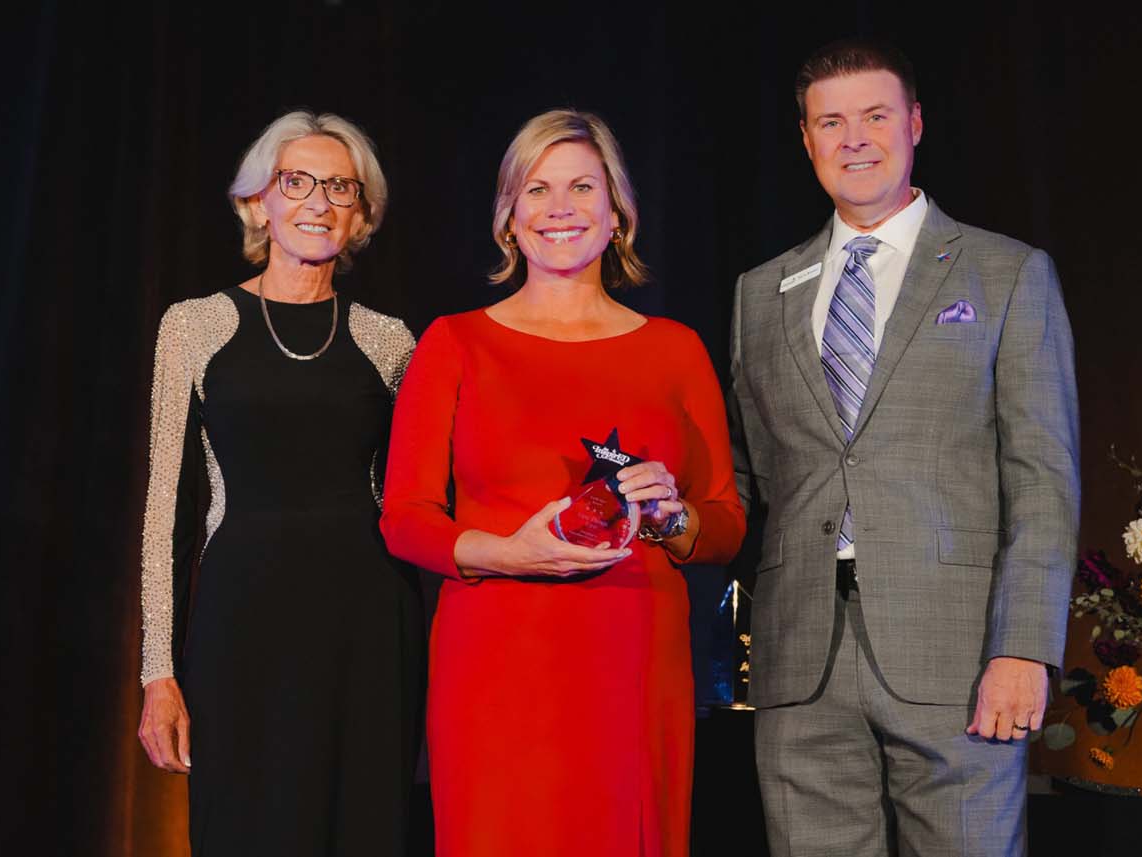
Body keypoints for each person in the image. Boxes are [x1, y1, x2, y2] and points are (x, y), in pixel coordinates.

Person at [729, 39, 1079, 855]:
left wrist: (1025, 647)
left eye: (875, 115)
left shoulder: (1007, 273)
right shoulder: (759, 292)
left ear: (915, 123)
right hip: (800, 667)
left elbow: (1043, 481)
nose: (854, 138)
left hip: (958, 662)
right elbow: (751, 478)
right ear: (806, 140)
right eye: (831, 121)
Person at [380, 109, 744, 857]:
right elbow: (406, 517)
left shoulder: (675, 349)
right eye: (537, 189)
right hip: (497, 660)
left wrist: (671, 518)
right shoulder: (455, 342)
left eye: (583, 186)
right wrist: (511, 553)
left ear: (618, 215)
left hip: (634, 660)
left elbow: (724, 525)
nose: (560, 207)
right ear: (509, 216)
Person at [135, 110, 422, 855]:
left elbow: (416, 501)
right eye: (297, 181)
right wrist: (157, 672)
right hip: (243, 626)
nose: (319, 202)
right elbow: (166, 507)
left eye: (340, 187)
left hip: (366, 630)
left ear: (362, 214)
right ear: (257, 201)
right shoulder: (194, 325)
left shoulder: (391, 339)